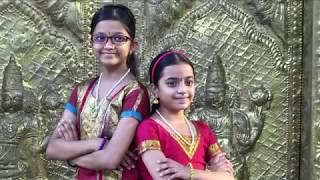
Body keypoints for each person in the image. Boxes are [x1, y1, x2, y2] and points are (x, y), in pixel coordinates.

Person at [45, 4, 150, 180]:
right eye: (100, 38)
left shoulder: (135, 93)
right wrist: (99, 143)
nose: (108, 45)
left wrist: (71, 154)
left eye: (118, 38)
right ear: (91, 42)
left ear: (133, 45)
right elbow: (52, 149)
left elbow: (110, 159)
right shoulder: (80, 92)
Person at [135, 50, 235, 180]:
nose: (183, 90)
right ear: (155, 90)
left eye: (189, 82)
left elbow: (229, 177)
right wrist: (214, 175)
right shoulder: (149, 128)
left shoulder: (203, 130)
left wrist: (188, 173)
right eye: (172, 83)